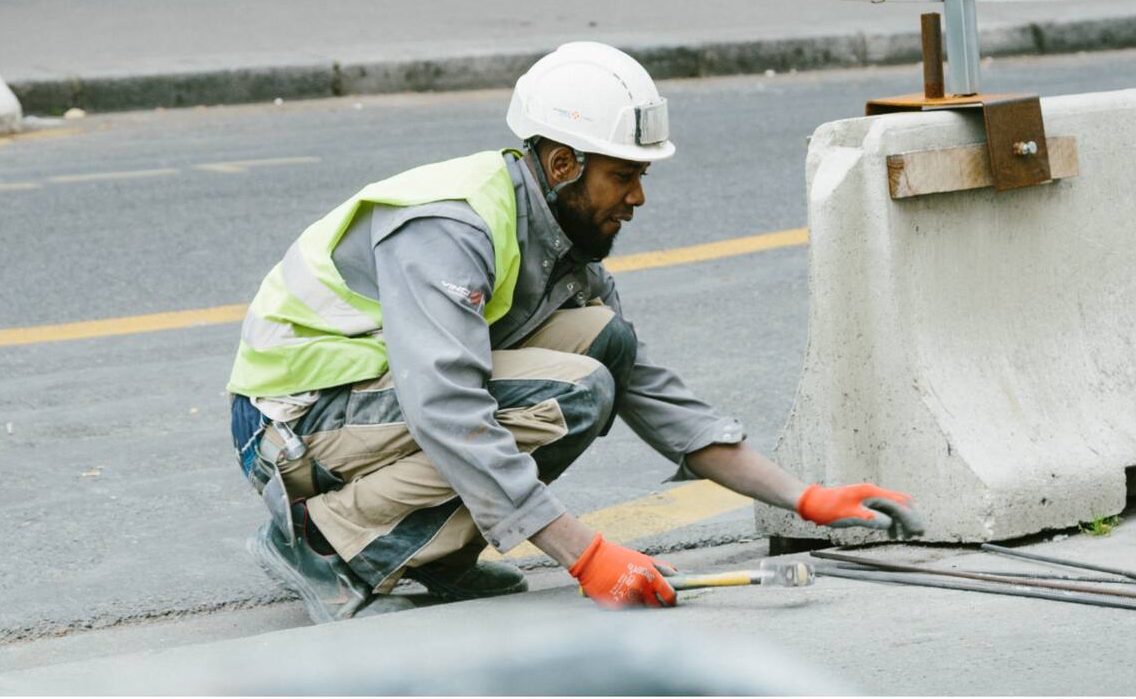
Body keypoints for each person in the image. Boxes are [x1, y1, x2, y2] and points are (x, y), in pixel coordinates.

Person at [226, 41, 924, 623]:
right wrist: (585, 556)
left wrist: (804, 498)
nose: (638, 197)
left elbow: (651, 391)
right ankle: (324, 544)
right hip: (292, 425)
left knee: (604, 344)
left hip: (366, 406)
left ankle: (434, 554)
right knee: (573, 391)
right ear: (563, 165)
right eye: (623, 176)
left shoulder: (561, 241)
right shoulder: (452, 227)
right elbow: (446, 407)